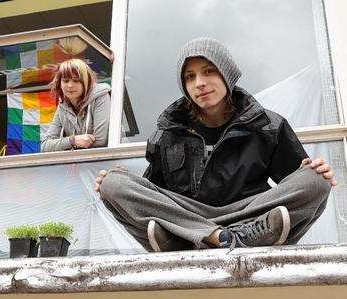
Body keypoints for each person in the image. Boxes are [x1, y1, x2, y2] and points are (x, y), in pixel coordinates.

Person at [94, 37, 337, 252]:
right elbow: (154, 197)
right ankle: (209, 236)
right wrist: (120, 183)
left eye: (209, 71)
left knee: (316, 180)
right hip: (186, 215)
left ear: (226, 74)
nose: (199, 83)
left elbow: (296, 183)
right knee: (113, 183)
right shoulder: (167, 133)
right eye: (190, 76)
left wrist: (314, 171)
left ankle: (215, 237)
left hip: (252, 219)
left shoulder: (267, 125)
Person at [41, 59, 111, 152]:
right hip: (82, 163)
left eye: (76, 80)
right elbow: (45, 146)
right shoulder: (63, 106)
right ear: (60, 83)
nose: (70, 85)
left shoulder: (101, 96)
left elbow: (101, 141)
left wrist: (63, 145)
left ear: (86, 82)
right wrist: (72, 140)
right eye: (65, 81)